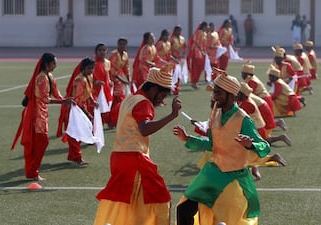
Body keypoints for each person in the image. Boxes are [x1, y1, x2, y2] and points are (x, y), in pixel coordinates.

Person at [173, 72, 270, 225]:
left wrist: (251, 144)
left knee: (226, 219)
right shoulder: (215, 114)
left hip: (234, 176)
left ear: (231, 95)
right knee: (183, 209)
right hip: (212, 173)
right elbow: (212, 145)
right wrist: (187, 139)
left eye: (218, 92)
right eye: (214, 92)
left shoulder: (243, 119)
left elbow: (265, 147)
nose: (214, 96)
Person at [93, 64, 182, 225]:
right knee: (160, 198)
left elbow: (111, 118)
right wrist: (172, 115)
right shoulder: (144, 103)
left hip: (118, 157)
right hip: (134, 157)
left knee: (130, 201)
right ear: (154, 90)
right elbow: (144, 129)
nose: (161, 101)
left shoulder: (130, 99)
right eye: (161, 96)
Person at [11, 53, 72, 181]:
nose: (55, 66)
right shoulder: (41, 78)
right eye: (53, 63)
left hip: (41, 113)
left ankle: (32, 172)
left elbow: (56, 94)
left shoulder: (49, 76)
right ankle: (32, 171)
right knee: (40, 142)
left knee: (40, 142)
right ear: (46, 64)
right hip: (35, 114)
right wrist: (63, 102)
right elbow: (45, 99)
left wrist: (66, 100)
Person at [61, 58, 97, 165]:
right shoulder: (80, 80)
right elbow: (78, 100)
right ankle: (77, 157)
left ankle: (73, 156)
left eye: (92, 68)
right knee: (76, 133)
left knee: (77, 132)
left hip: (79, 107)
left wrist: (92, 101)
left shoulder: (89, 77)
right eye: (88, 68)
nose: (91, 70)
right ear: (83, 68)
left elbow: (88, 91)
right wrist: (87, 113)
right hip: (74, 109)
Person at [108, 38, 130, 128]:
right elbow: (112, 70)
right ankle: (110, 121)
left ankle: (115, 121)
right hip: (112, 80)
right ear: (117, 45)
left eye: (124, 44)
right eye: (120, 44)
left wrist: (129, 79)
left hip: (120, 81)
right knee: (113, 101)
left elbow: (126, 68)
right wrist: (123, 80)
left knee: (120, 100)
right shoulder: (114, 55)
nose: (122, 46)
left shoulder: (125, 55)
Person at [92, 43, 113, 128]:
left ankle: (108, 122)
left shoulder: (108, 62)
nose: (102, 52)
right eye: (100, 50)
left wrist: (109, 81)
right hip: (96, 89)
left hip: (106, 87)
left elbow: (107, 74)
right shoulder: (93, 63)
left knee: (107, 105)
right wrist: (96, 82)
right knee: (97, 106)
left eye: (104, 50)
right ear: (96, 52)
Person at [187, 21, 208, 90]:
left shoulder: (204, 33)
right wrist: (201, 51)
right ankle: (194, 82)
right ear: (204, 26)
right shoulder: (199, 32)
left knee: (200, 67)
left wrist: (204, 51)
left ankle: (195, 82)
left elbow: (204, 44)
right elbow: (197, 43)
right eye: (206, 26)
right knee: (196, 67)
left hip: (201, 52)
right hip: (196, 52)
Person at [170, 25, 187, 95]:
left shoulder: (182, 39)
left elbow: (185, 47)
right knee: (173, 75)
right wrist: (173, 56)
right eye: (177, 30)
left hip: (179, 59)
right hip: (173, 59)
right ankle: (171, 89)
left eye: (180, 30)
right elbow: (169, 49)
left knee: (178, 75)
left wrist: (184, 53)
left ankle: (176, 90)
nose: (179, 32)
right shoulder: (172, 39)